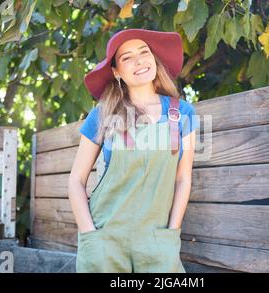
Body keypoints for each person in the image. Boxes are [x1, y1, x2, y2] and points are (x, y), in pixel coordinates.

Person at [68, 28, 200, 273]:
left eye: (144, 52)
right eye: (127, 57)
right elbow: (76, 180)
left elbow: (183, 179)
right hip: (105, 240)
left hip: (157, 242)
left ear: (154, 60)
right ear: (117, 71)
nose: (139, 61)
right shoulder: (101, 115)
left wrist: (171, 234)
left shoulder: (183, 113)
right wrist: (90, 235)